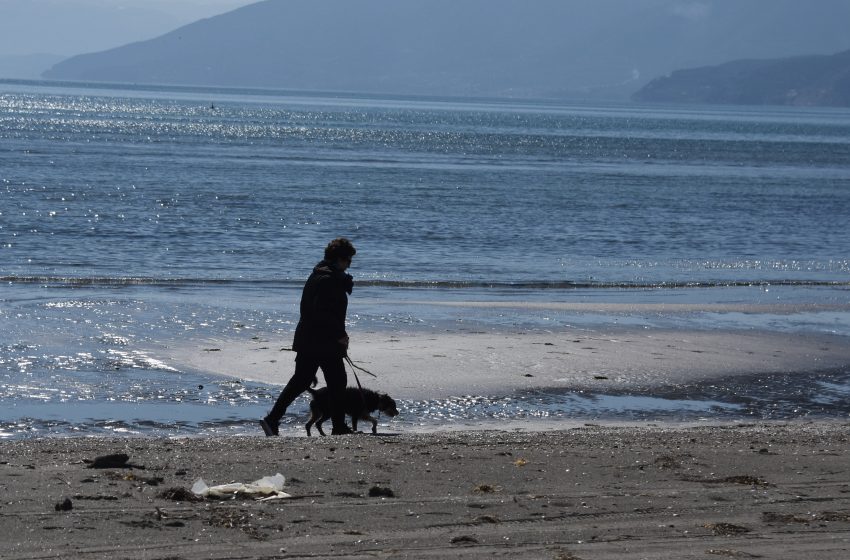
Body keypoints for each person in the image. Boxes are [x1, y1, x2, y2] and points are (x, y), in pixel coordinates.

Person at [260, 238, 357, 436]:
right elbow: (322, 313)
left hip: (309, 339)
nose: (350, 265)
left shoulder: (318, 274)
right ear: (340, 259)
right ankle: (338, 427)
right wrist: (340, 335)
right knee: (337, 381)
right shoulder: (329, 279)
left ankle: (273, 419)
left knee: (301, 381)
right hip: (323, 340)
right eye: (349, 260)